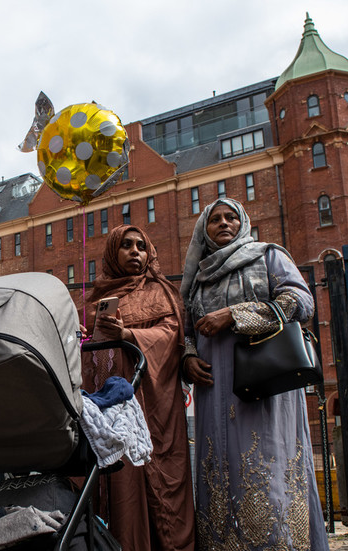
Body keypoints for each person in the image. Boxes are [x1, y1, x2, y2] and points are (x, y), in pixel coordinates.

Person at [180, 199, 328, 550]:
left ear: (243, 222)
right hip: (214, 387)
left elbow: (300, 302)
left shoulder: (267, 256)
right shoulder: (198, 278)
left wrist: (235, 314)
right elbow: (186, 329)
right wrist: (188, 357)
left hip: (266, 383)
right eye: (215, 219)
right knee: (221, 467)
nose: (223, 223)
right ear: (204, 230)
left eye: (231, 217)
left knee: (267, 465)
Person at [81, 225, 195, 551]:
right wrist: (84, 337)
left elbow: (171, 336)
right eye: (127, 245)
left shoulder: (161, 291)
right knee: (120, 478)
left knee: (158, 477)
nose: (135, 252)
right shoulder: (95, 299)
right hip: (111, 406)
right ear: (112, 252)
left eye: (141, 246)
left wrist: (128, 335)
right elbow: (85, 353)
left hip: (154, 404)